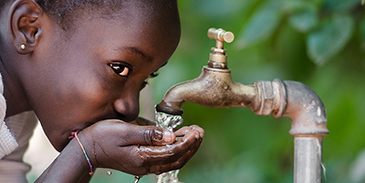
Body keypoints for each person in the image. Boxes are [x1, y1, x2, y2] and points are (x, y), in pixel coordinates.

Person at [0, 0, 205, 182]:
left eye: (145, 80)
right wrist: (86, 151)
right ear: (28, 28)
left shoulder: (14, 118)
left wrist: (89, 153)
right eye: (120, 69)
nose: (131, 108)